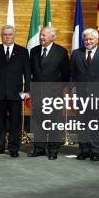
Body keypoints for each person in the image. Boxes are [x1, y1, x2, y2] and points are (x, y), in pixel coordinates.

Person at [70, 28, 99, 162]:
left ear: (97, 40)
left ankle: (95, 150)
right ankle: (84, 150)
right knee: (82, 124)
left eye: (91, 39)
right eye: (86, 39)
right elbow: (72, 74)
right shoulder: (76, 54)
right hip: (81, 95)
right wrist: (72, 88)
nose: (88, 41)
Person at [0, 25, 31, 158]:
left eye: (10, 34)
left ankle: (13, 147)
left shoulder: (23, 51)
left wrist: (27, 91)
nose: (7, 37)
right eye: (5, 35)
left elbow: (27, 74)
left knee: (15, 122)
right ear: (2, 36)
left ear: (14, 35)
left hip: (16, 94)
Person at [27, 26, 70, 160]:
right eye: (41, 35)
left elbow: (66, 74)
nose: (41, 37)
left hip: (55, 94)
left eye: (44, 35)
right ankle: (39, 148)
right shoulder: (33, 51)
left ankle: (53, 150)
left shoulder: (61, 52)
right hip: (37, 93)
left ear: (52, 37)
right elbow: (30, 73)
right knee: (38, 122)